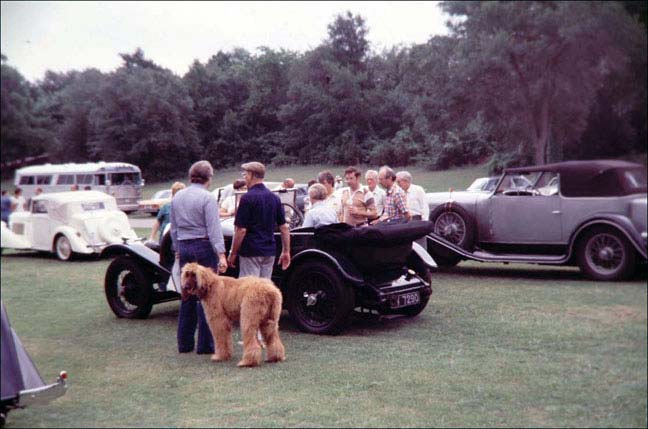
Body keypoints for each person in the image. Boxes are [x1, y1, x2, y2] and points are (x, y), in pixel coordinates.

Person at [170, 161, 227, 355]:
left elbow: (174, 228)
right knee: (208, 296)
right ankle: (205, 345)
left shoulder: (177, 197)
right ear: (208, 177)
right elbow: (214, 228)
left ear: (191, 176)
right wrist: (221, 254)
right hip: (203, 246)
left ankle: (184, 343)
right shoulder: (207, 197)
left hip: (184, 246)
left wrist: (177, 248)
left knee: (187, 294)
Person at [228, 161, 291, 280]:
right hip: (269, 251)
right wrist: (286, 251)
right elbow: (284, 227)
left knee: (249, 288)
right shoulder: (275, 198)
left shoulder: (246, 198)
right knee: (264, 287)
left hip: (251, 251)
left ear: (252, 175)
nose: (244, 177)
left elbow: (241, 230)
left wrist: (233, 253)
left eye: (245, 174)